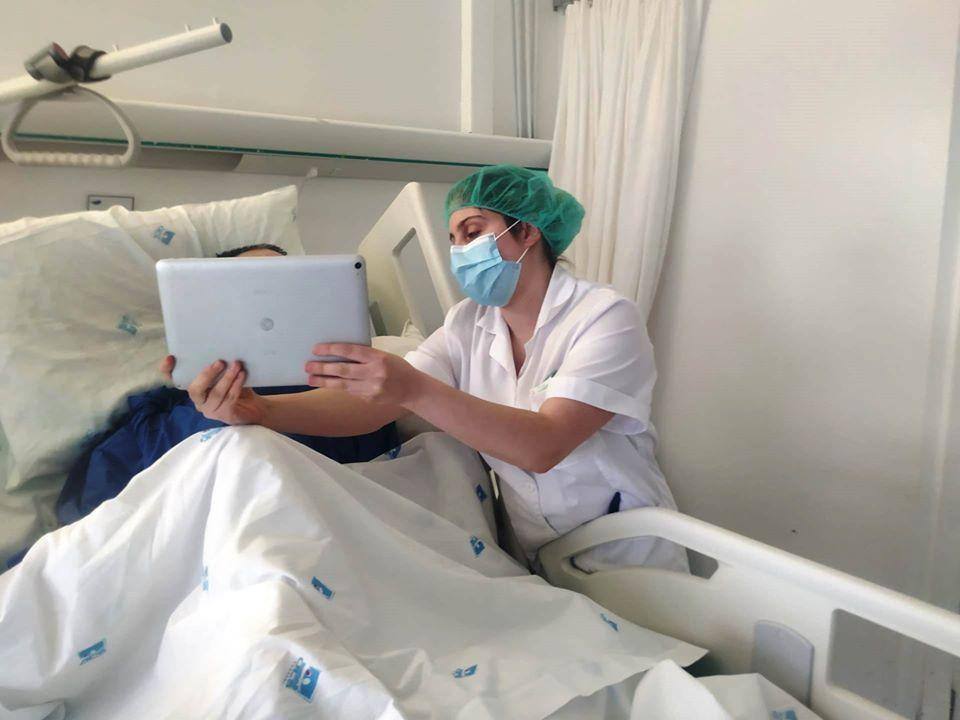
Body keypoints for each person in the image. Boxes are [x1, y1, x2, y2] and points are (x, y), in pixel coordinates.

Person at [178, 166, 687, 572]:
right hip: (541, 552)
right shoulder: (468, 323)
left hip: (631, 551)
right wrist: (262, 410)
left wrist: (413, 388)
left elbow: (544, 445)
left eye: (474, 231)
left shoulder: (603, 316)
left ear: (527, 230)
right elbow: (371, 408)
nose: (461, 251)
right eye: (454, 239)